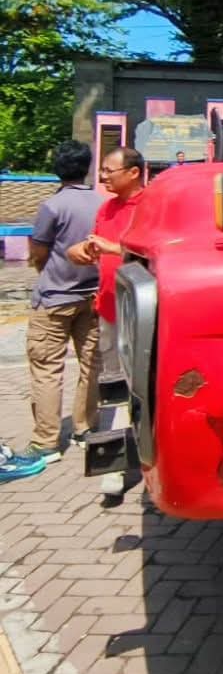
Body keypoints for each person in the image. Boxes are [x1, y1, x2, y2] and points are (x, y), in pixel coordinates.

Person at [68, 146, 145, 497]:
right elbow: (93, 246)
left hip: (143, 315)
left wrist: (114, 249)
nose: (103, 177)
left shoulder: (151, 208)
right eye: (102, 171)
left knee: (142, 390)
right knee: (113, 389)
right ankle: (114, 467)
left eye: (109, 171)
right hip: (110, 310)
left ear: (133, 172)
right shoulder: (106, 208)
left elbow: (160, 253)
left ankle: (147, 455)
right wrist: (82, 252)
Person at [23, 141, 103, 462]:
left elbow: (38, 253)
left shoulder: (52, 206)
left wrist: (47, 272)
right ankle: (85, 429)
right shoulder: (101, 203)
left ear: (58, 169)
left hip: (55, 299)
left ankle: (46, 442)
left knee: (46, 369)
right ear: (88, 167)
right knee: (91, 366)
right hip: (91, 295)